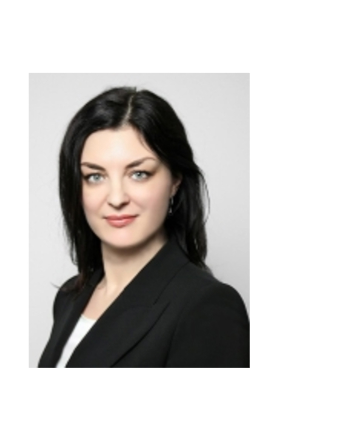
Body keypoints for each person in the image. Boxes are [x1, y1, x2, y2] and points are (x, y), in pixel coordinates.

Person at [38, 86, 249, 368]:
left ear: (175, 180)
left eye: (139, 174)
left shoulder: (207, 307)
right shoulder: (69, 297)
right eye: (95, 176)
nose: (116, 198)